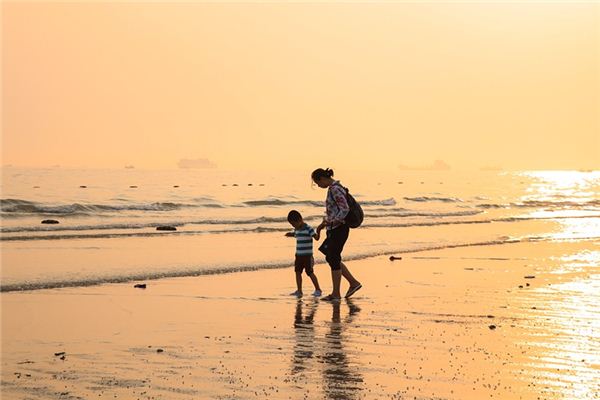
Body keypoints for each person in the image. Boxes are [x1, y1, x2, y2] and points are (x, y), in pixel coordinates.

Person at [311, 168, 362, 301]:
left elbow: (344, 208)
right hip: (336, 228)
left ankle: (336, 294)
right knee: (331, 257)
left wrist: (332, 222)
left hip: (339, 228)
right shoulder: (335, 187)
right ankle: (353, 283)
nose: (318, 186)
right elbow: (336, 209)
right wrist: (326, 223)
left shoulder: (334, 189)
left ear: (322, 178)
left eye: (317, 183)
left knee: (333, 258)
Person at [287, 210, 322, 297]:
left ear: (300, 220)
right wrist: (290, 234)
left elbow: (316, 238)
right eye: (292, 225)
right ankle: (299, 290)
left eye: (294, 224)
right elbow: (295, 234)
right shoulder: (297, 229)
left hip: (307, 256)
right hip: (298, 255)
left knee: (309, 272)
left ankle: (318, 289)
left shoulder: (308, 228)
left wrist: (319, 229)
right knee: (297, 272)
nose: (293, 226)